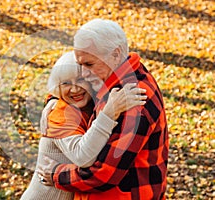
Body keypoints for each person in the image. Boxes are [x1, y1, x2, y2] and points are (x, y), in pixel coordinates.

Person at [37, 19, 168, 200]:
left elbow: (102, 174)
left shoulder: (131, 100)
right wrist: (55, 99)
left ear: (115, 54)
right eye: (80, 64)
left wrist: (55, 174)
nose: (83, 73)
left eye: (89, 65)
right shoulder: (116, 76)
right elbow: (74, 86)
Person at [20, 51, 147, 200]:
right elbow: (83, 157)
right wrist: (109, 113)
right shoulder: (58, 113)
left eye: (80, 80)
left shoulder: (88, 106)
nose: (74, 89)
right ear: (57, 88)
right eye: (65, 83)